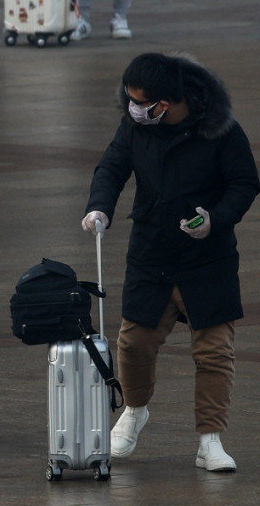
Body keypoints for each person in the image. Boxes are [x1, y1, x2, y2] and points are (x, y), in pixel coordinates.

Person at [81, 52, 259, 472]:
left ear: (169, 102)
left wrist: (215, 219)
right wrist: (99, 208)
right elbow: (111, 167)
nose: (134, 109)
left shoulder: (220, 129)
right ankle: (135, 410)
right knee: (134, 343)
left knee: (214, 351)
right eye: (130, 100)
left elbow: (244, 182)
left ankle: (210, 439)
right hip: (151, 251)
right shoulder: (136, 126)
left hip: (208, 256)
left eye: (143, 103)